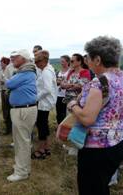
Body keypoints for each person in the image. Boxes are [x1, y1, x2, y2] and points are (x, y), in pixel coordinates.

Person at [67, 36, 123, 195]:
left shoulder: (100, 83)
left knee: (91, 188)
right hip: (117, 142)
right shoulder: (121, 77)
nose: (87, 62)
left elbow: (87, 118)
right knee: (101, 185)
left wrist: (72, 105)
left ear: (97, 59)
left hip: (96, 149)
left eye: (88, 58)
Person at [5, 49, 37, 182]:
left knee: (22, 142)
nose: (12, 59)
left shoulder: (26, 72)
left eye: (15, 57)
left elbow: (9, 83)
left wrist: (6, 78)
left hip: (23, 111)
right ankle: (22, 167)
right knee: (21, 141)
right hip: (23, 110)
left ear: (23, 58)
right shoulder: (26, 71)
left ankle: (22, 172)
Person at [32, 50, 57, 159]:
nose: (36, 64)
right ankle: (46, 146)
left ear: (43, 61)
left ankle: (41, 149)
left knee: (41, 125)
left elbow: (47, 89)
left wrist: (36, 98)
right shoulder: (47, 69)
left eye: (37, 62)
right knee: (44, 124)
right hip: (45, 102)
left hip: (43, 103)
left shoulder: (46, 72)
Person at [56, 55, 70, 124]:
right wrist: (57, 82)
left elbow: (71, 82)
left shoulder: (70, 72)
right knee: (59, 113)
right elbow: (55, 82)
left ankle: (65, 127)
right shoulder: (59, 72)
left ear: (68, 62)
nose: (61, 63)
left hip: (66, 95)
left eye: (63, 61)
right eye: (61, 61)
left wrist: (61, 82)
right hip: (58, 95)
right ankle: (59, 126)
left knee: (65, 113)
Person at [0, 57, 12, 135]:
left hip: (8, 91)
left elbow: (10, 81)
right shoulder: (1, 71)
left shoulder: (9, 70)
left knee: (8, 109)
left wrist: (3, 81)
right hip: (2, 91)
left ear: (5, 63)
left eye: (2, 63)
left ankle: (9, 128)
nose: (1, 64)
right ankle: (7, 127)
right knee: (4, 109)